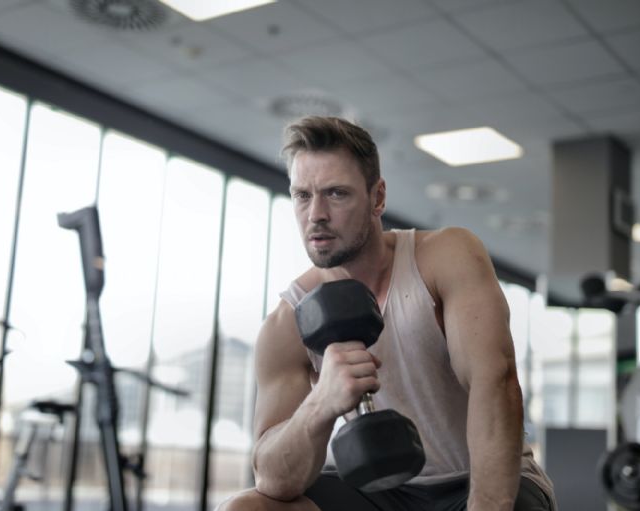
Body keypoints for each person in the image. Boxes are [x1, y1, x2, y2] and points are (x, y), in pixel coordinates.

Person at [218, 116, 556, 511]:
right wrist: (321, 403)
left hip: (475, 480)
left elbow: (494, 381)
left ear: (377, 198)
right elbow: (273, 478)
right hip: (378, 491)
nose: (316, 214)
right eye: (302, 195)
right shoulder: (287, 322)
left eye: (336, 193)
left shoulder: (445, 258)